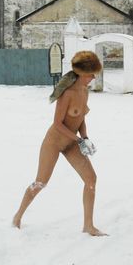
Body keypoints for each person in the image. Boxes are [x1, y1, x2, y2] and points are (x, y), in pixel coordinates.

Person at [12, 50, 106, 236]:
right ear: (82, 74)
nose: (93, 78)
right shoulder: (67, 94)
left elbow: (81, 118)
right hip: (54, 142)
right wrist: (78, 139)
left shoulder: (84, 91)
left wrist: (85, 137)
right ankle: (17, 217)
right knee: (41, 182)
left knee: (91, 179)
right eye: (91, 74)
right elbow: (57, 123)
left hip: (71, 143)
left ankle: (88, 226)